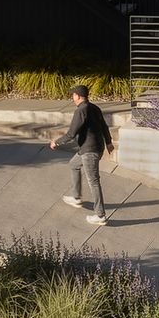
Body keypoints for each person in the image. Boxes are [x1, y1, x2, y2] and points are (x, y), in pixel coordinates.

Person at [50, 83, 111, 226]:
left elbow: (71, 134)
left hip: (89, 151)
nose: (72, 97)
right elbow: (104, 127)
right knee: (74, 164)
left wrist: (56, 142)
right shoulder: (95, 108)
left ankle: (100, 215)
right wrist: (108, 142)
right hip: (94, 147)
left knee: (93, 181)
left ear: (77, 96)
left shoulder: (80, 111)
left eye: (73, 95)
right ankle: (76, 197)